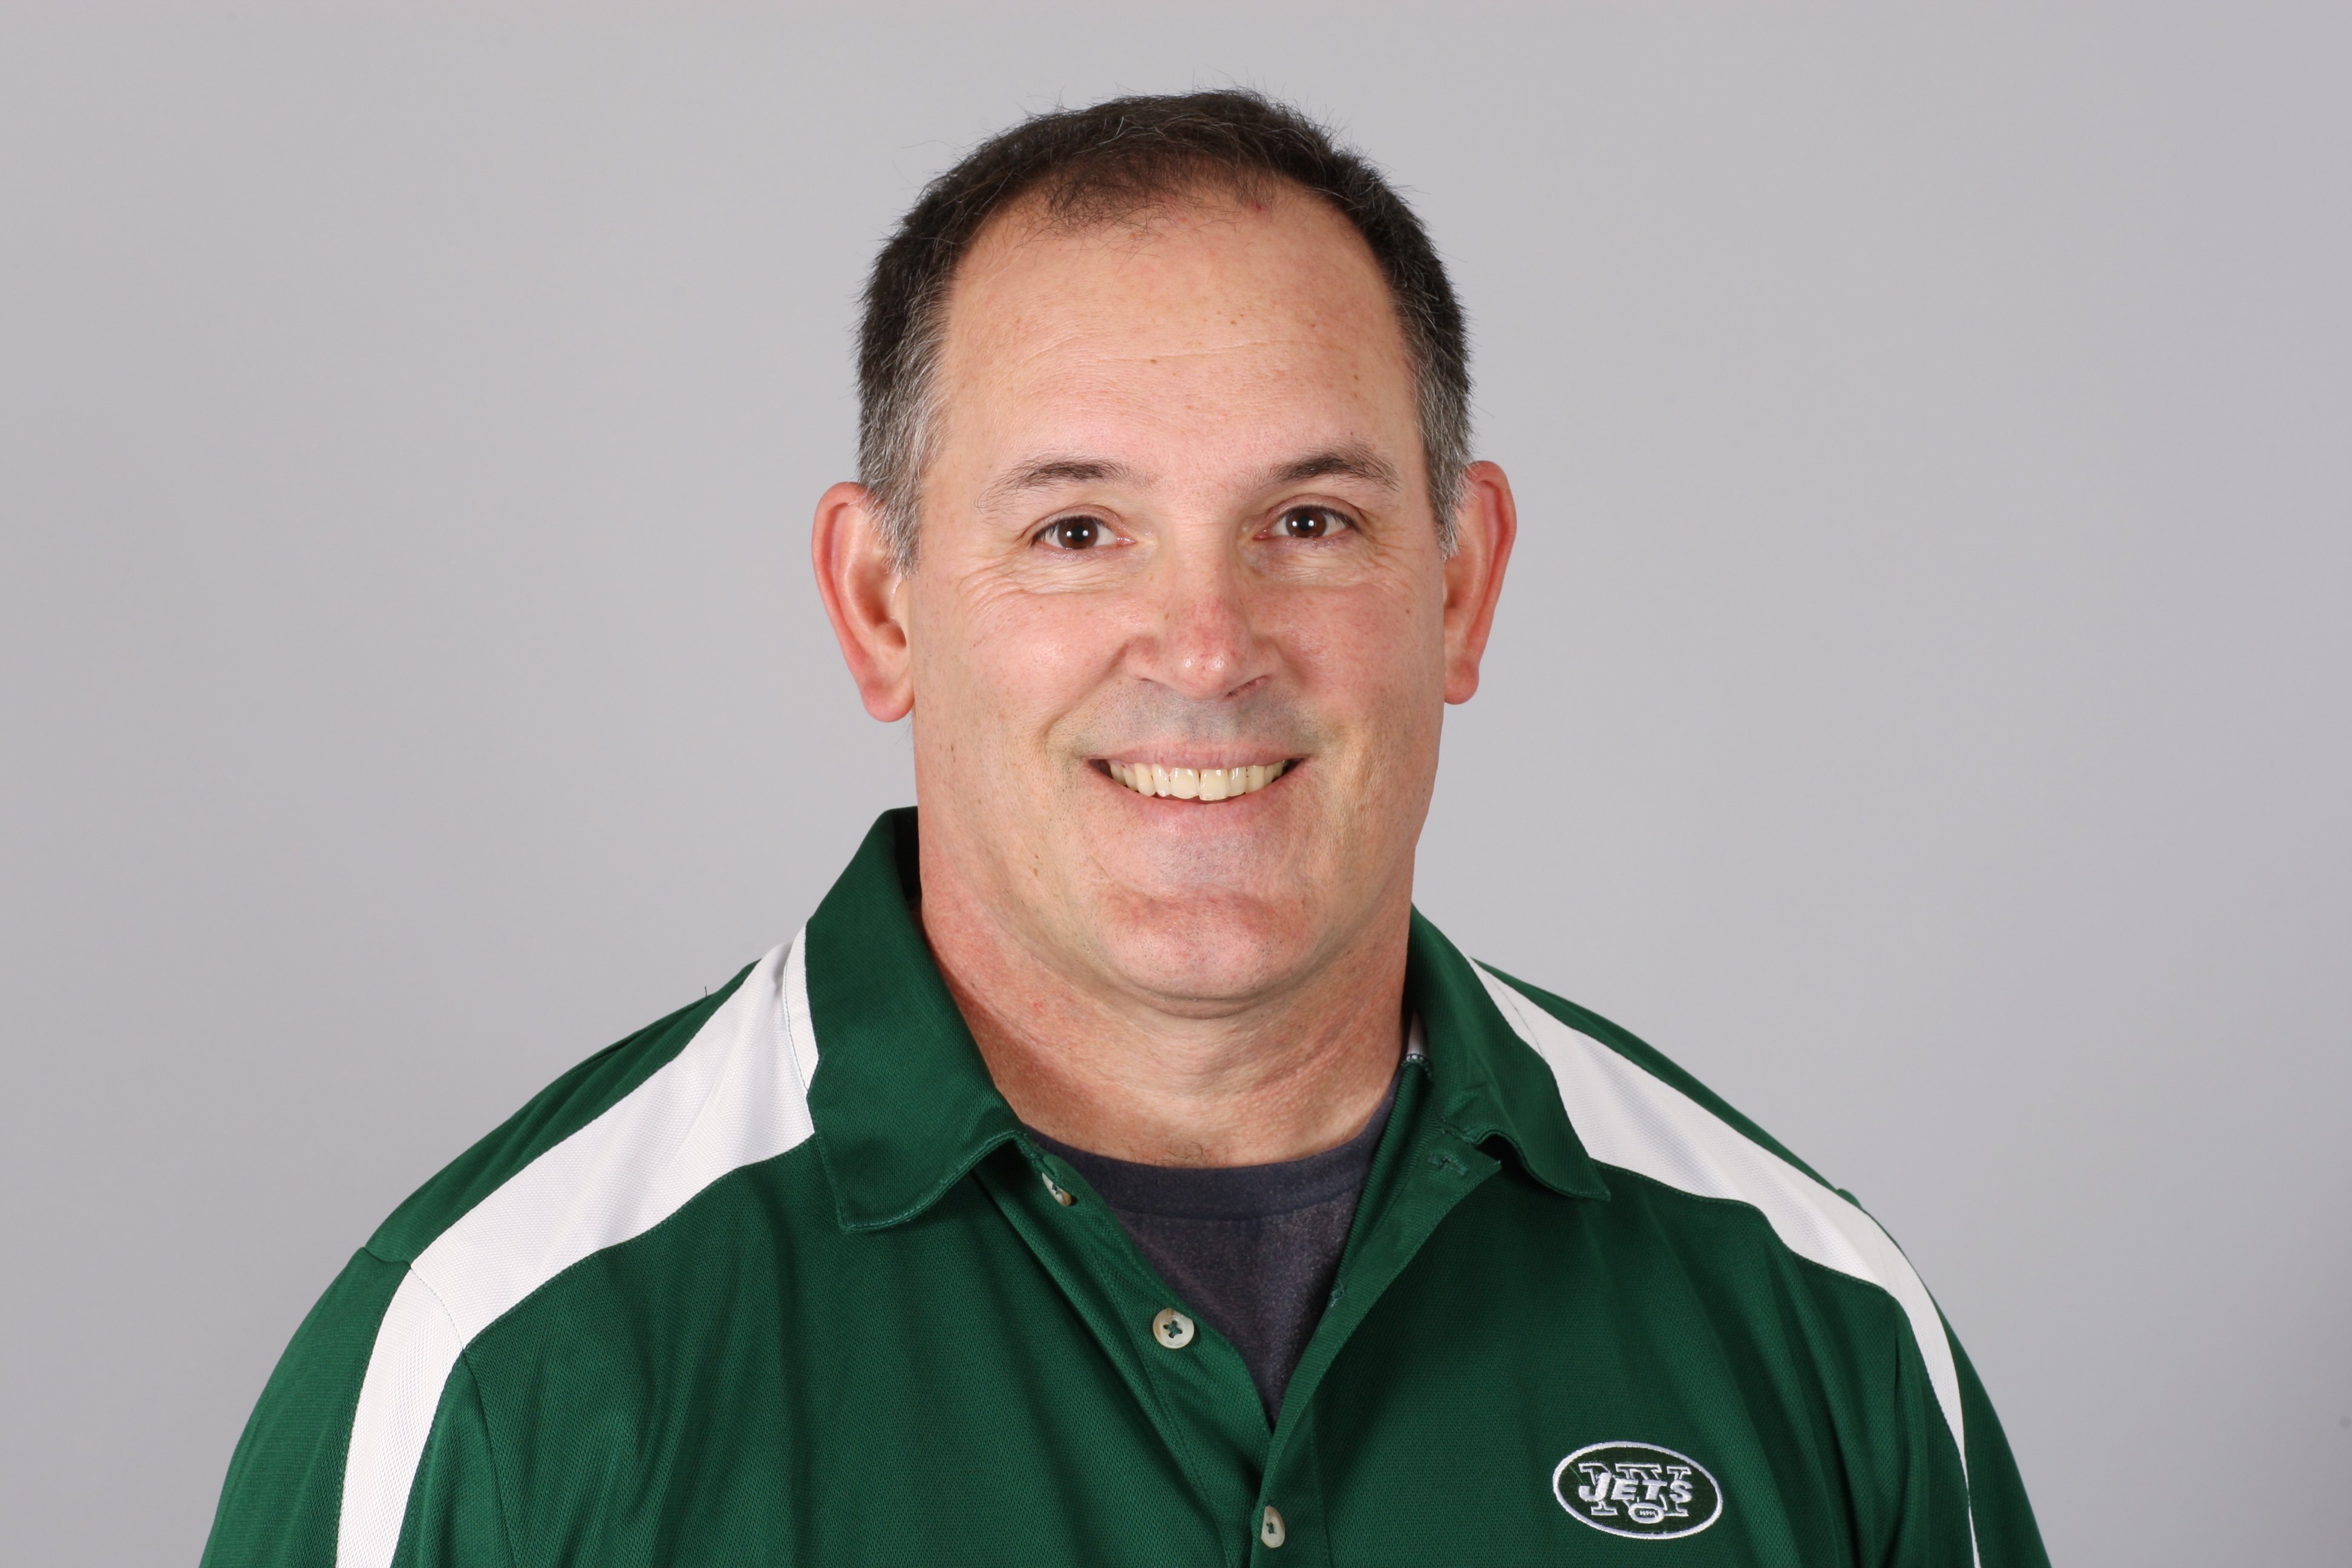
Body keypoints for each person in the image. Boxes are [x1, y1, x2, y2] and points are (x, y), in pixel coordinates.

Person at [203, 91, 2047, 1567]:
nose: (1208, 648)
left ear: (1462, 584)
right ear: (882, 605)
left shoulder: (1811, 1320)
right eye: (1078, 530)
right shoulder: (512, 1360)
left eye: (1309, 521)